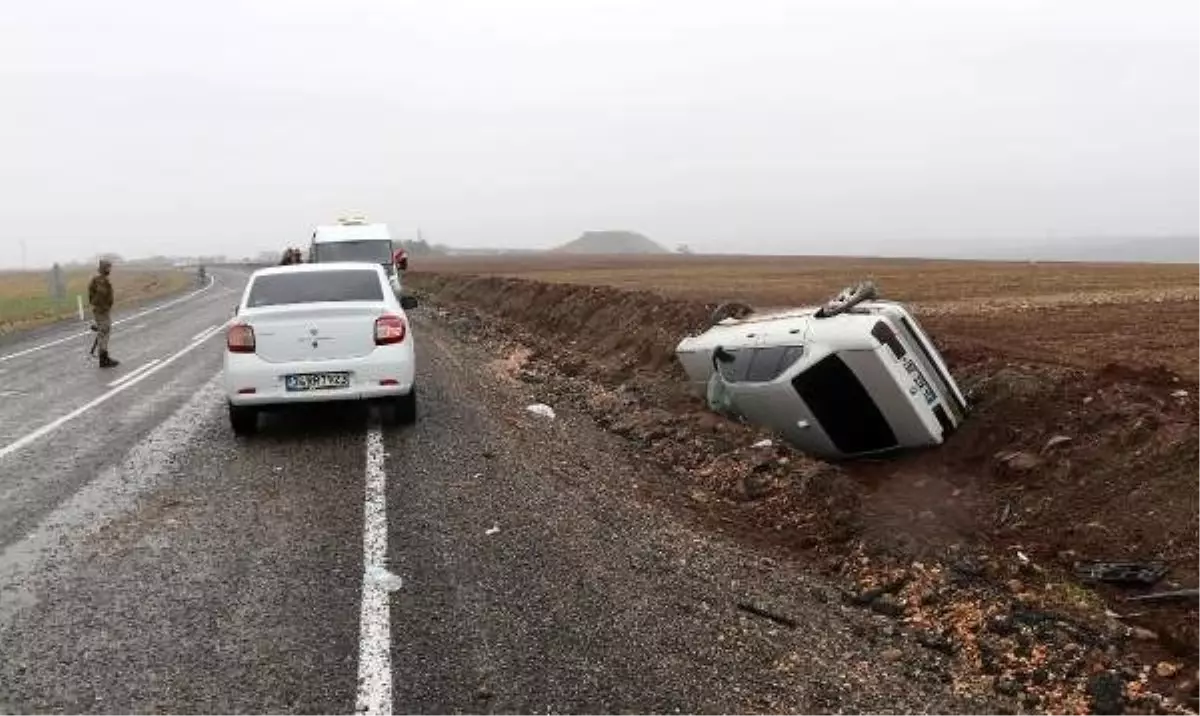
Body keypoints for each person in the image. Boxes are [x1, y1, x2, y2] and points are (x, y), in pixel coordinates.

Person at [88, 258, 120, 368]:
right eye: (108, 267)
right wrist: (103, 307)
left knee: (103, 332)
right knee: (104, 332)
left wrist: (97, 305)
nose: (110, 269)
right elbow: (100, 295)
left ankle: (104, 357)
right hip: (102, 311)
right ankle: (104, 359)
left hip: (100, 310)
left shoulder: (97, 279)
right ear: (104, 268)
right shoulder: (101, 281)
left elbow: (92, 295)